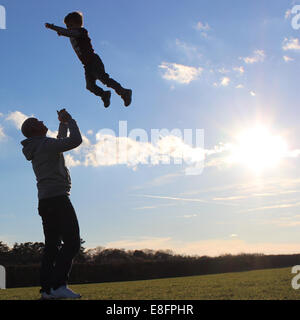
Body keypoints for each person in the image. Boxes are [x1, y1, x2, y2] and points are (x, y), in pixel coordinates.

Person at [21, 109, 83, 300]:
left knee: (52, 246)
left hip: (45, 201)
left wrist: (62, 124)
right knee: (72, 242)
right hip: (58, 199)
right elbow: (75, 141)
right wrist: (70, 120)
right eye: (37, 120)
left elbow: (58, 142)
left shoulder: (38, 146)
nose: (41, 120)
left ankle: (47, 290)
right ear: (33, 129)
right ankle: (58, 285)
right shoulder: (45, 145)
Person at [45, 11, 132, 109]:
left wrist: (53, 27)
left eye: (70, 25)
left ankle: (124, 92)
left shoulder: (81, 31)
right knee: (90, 86)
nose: (68, 27)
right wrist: (61, 31)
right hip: (87, 65)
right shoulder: (72, 33)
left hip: (93, 60)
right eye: (67, 26)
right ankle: (104, 94)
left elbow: (69, 32)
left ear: (77, 23)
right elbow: (67, 32)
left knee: (104, 79)